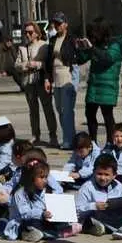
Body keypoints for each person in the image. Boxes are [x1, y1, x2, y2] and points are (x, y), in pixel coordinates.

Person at [76, 17, 122, 145]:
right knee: (89, 114)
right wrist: (80, 48)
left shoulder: (114, 45)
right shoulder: (96, 46)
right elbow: (80, 60)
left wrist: (92, 49)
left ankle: (110, 143)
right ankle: (93, 142)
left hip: (107, 86)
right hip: (94, 86)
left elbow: (107, 58)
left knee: (107, 116)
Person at [15, 21, 58, 148]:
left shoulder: (44, 46)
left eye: (30, 32)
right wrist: (25, 65)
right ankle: (35, 135)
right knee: (33, 110)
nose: (27, 35)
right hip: (28, 81)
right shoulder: (22, 48)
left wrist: (37, 64)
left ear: (37, 33)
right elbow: (16, 65)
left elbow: (49, 63)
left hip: (42, 80)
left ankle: (53, 135)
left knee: (48, 109)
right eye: (25, 32)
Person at [43, 12, 79, 150]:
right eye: (55, 23)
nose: (57, 26)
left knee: (67, 109)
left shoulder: (71, 39)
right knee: (59, 109)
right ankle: (69, 137)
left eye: (59, 23)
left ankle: (68, 140)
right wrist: (47, 79)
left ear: (66, 24)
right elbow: (48, 61)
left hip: (67, 73)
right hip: (55, 75)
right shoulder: (53, 39)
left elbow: (74, 57)